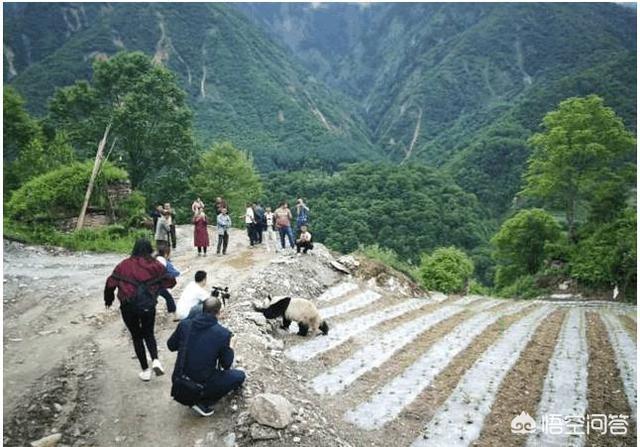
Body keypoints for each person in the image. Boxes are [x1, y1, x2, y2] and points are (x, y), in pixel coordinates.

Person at [104, 239, 177, 381]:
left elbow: (110, 283)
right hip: (148, 306)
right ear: (150, 249)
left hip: (128, 306)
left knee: (137, 337)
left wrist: (109, 300)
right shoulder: (155, 265)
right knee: (149, 333)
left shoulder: (123, 265)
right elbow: (171, 282)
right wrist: (156, 288)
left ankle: (145, 370)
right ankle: (155, 359)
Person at [168, 297, 246, 417]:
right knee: (239, 376)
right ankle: (201, 401)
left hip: (178, 380)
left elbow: (171, 346)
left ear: (202, 309)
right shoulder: (223, 333)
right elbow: (226, 365)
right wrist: (231, 347)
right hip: (198, 386)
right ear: (218, 312)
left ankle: (192, 395)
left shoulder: (184, 325)